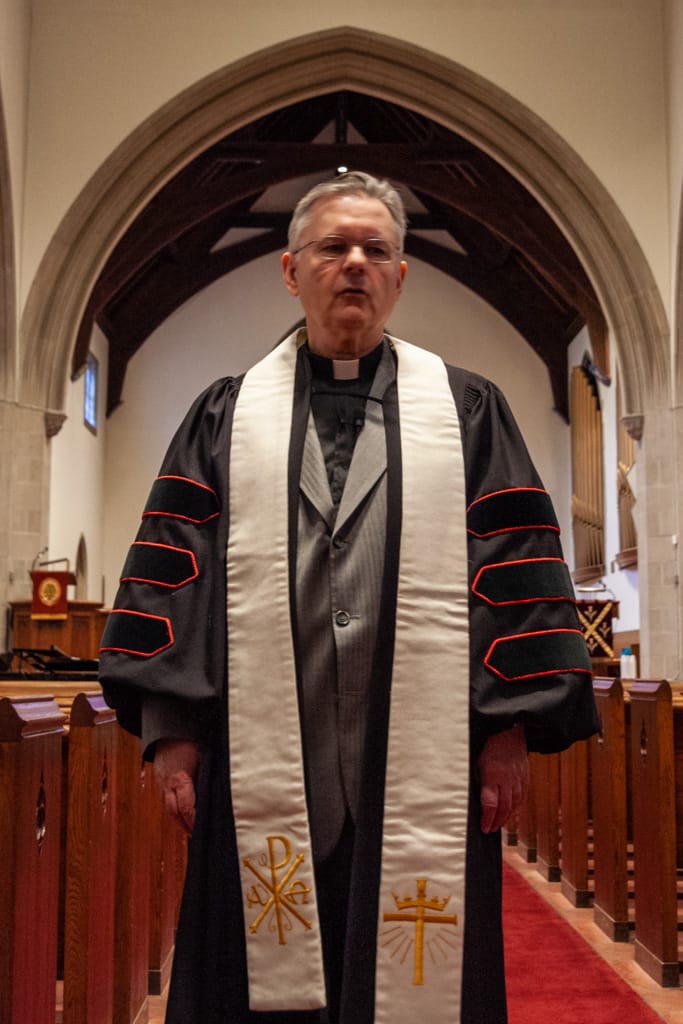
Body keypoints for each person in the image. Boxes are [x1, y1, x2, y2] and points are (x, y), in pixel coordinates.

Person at [99, 170, 599, 1024]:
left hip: (422, 762)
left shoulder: (469, 411)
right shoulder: (224, 416)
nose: (355, 264)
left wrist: (509, 729)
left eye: (376, 250)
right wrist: (171, 733)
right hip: (255, 756)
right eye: (334, 248)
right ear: (292, 271)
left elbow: (516, 575)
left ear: (401, 276)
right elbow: (173, 569)